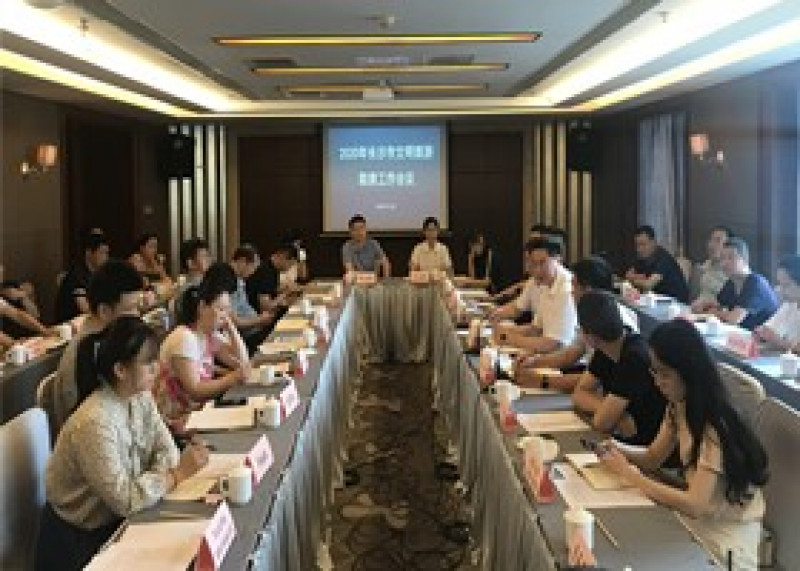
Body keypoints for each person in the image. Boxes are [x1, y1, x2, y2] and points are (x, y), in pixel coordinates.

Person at [35, 316, 209, 571]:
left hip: (121, 519)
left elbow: (166, 449)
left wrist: (159, 477)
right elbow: (125, 500)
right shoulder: (95, 421)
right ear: (120, 370)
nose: (157, 368)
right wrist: (175, 475)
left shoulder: (139, 396)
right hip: (80, 541)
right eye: (148, 362)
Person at [599, 319, 768, 569]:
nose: (658, 382)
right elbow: (653, 457)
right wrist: (617, 448)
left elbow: (695, 504)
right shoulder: (679, 406)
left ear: (688, 371)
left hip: (725, 540)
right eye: (654, 372)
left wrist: (631, 475)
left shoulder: (714, 426)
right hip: (698, 523)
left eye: (665, 374)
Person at [41, 260, 144, 436]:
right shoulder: (84, 357)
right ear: (104, 311)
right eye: (131, 308)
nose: (138, 316)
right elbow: (89, 429)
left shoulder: (111, 342)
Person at [515, 256, 638, 391]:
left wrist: (541, 381)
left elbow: (597, 380)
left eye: (574, 285)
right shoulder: (591, 312)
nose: (571, 291)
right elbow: (572, 353)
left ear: (588, 290)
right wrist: (534, 362)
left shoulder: (613, 320)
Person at [572, 291, 666, 445]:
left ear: (589, 336)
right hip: (626, 438)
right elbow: (579, 394)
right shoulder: (605, 348)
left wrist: (607, 412)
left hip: (647, 446)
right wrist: (620, 415)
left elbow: (602, 422)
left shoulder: (634, 357)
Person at [154, 277, 250, 428]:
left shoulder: (208, 334)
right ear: (202, 306)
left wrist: (231, 327)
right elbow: (195, 390)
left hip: (197, 413)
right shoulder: (184, 337)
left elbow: (242, 362)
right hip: (176, 421)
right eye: (221, 309)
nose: (225, 315)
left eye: (228, 310)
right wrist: (233, 378)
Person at [492, 238, 576, 354]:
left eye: (542, 263)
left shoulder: (566, 289)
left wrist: (510, 339)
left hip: (563, 360)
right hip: (546, 353)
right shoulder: (546, 284)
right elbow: (536, 329)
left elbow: (554, 345)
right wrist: (505, 332)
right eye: (534, 263)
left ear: (558, 259)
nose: (537, 270)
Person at [694, 237, 777, 330]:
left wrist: (713, 313)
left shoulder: (755, 282)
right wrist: (703, 306)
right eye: (722, 258)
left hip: (761, 337)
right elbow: (717, 305)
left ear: (744, 260)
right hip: (740, 334)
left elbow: (733, 319)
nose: (724, 263)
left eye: (731, 257)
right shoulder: (731, 282)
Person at [55, 232, 110, 322]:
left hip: (88, 322)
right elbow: (86, 309)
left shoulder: (99, 274)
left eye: (107, 253)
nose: (106, 258)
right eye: (102, 253)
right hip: (70, 324)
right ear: (89, 253)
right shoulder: (77, 276)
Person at [626, 225, 689, 302]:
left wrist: (635, 280)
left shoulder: (663, 258)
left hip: (676, 302)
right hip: (658, 299)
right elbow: (628, 275)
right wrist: (639, 278)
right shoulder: (643, 258)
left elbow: (648, 285)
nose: (639, 249)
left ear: (653, 242)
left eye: (643, 244)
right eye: (637, 245)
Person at [755, 255, 800, 351]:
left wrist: (779, 341)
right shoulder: (789, 305)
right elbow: (768, 329)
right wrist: (761, 334)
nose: (780, 290)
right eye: (780, 284)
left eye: (786, 285)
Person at [245, 243, 297, 315]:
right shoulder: (266, 272)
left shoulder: (271, 268)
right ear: (282, 257)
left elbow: (271, 289)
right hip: (256, 315)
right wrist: (286, 293)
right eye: (290, 264)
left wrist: (285, 290)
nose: (290, 267)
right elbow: (265, 307)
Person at [690, 226, 732, 306]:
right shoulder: (703, 267)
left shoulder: (732, 272)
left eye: (718, 240)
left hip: (717, 310)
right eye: (711, 240)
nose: (711, 245)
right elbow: (693, 297)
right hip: (696, 309)